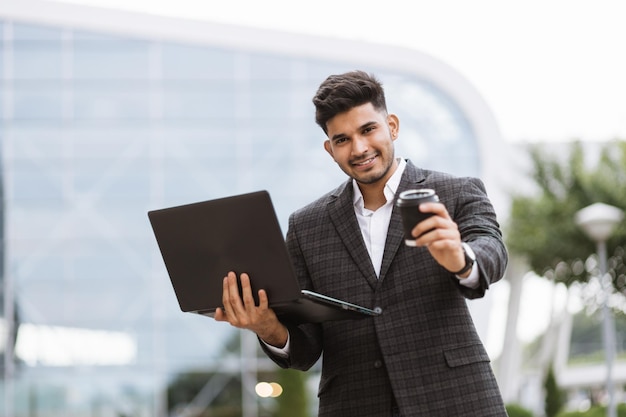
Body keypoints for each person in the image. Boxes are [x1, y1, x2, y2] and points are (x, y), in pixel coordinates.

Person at [215, 70, 508, 417]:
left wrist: (460, 257)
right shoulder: (306, 226)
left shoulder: (455, 192)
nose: (359, 148)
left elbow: (492, 250)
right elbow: (305, 348)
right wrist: (266, 327)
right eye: (342, 139)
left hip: (454, 401)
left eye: (368, 129)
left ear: (392, 126)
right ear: (330, 149)